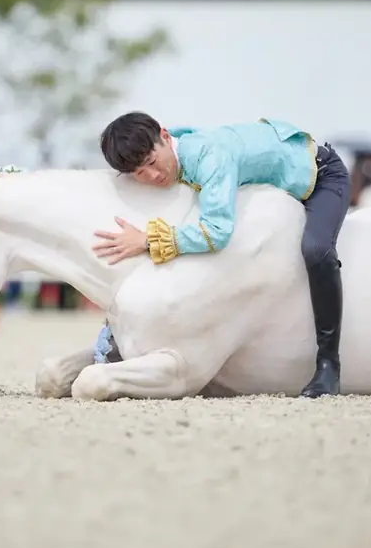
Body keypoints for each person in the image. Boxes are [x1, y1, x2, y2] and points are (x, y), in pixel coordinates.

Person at [91, 111, 352, 398]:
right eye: (140, 173)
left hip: (321, 177)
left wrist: (150, 241)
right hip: (273, 192)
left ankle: (329, 365)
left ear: (165, 136)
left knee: (316, 250)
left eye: (153, 163)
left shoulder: (210, 157)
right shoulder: (169, 155)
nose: (153, 176)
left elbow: (216, 231)